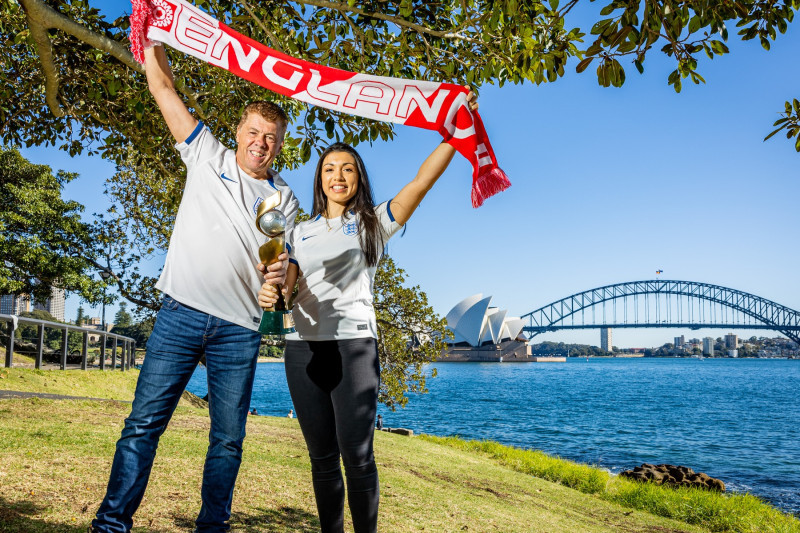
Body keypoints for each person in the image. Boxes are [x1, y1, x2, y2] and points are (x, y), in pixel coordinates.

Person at [90, 44, 297, 533]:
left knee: (227, 440)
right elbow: (163, 87)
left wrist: (278, 280)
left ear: (280, 145)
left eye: (271, 137)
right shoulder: (205, 154)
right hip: (180, 313)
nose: (261, 143)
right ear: (238, 133)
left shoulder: (283, 196)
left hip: (239, 329)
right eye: (253, 132)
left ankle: (212, 528)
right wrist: (152, 36)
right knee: (142, 426)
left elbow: (278, 260)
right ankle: (111, 525)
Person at [257, 90, 476, 533]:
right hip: (302, 350)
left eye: (348, 169)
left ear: (358, 178)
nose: (338, 176)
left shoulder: (375, 223)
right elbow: (288, 287)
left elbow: (420, 183)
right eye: (329, 169)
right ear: (319, 179)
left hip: (354, 348)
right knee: (321, 459)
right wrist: (273, 291)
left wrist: (456, 132)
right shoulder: (298, 231)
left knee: (357, 458)